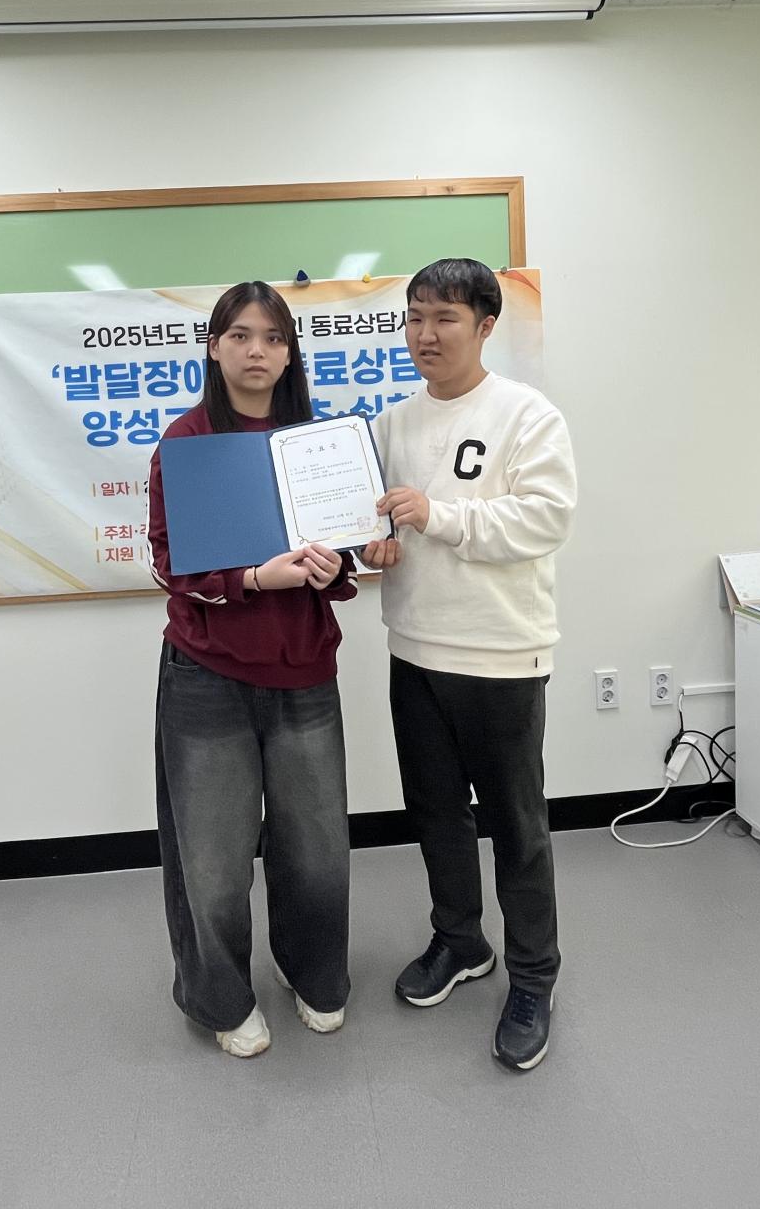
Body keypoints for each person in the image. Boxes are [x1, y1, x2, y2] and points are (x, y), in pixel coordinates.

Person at [361, 258, 577, 1071]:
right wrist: (377, 546)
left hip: (501, 653)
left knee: (517, 826)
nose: (426, 334)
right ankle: (460, 941)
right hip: (414, 646)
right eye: (415, 316)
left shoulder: (527, 415)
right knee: (436, 813)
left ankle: (533, 978)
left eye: (445, 318)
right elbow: (382, 527)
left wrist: (439, 516)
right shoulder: (391, 424)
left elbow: (544, 521)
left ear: (486, 326)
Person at [147, 280, 357, 1058]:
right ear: (213, 347)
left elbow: (347, 557)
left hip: (304, 670)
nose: (256, 351)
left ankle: (315, 973)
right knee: (210, 856)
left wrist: (338, 564)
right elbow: (171, 564)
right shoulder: (186, 442)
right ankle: (221, 998)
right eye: (239, 335)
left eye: (272, 337)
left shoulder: (319, 442)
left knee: (316, 845)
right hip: (206, 676)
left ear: (290, 352)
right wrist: (251, 580)